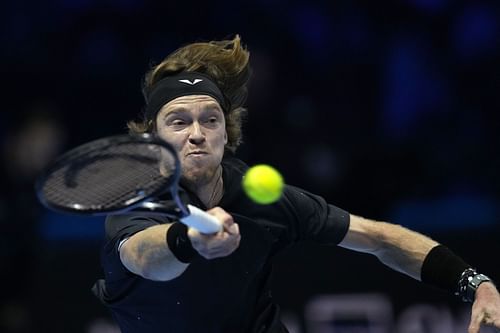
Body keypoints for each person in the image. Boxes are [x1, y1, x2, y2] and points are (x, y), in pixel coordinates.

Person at [92, 35, 500, 333]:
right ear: (153, 139)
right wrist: (190, 239)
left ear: (226, 133)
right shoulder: (135, 205)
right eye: (179, 122)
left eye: (210, 119)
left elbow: (378, 237)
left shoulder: (259, 195)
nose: (197, 133)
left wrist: (474, 283)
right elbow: (144, 256)